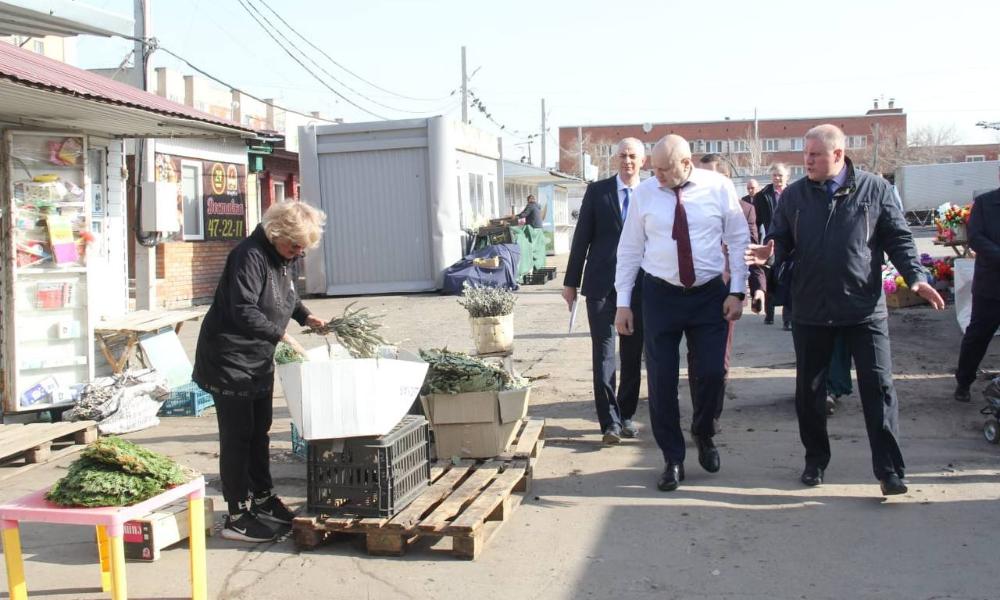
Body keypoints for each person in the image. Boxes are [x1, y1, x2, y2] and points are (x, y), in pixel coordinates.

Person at [745, 124, 944, 496]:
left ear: (838, 154)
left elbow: (899, 239)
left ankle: (889, 470)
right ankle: (815, 461)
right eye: (805, 154)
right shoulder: (795, 195)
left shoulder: (875, 189)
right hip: (811, 309)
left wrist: (915, 277)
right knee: (810, 392)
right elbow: (780, 238)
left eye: (815, 155)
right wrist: (770, 251)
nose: (807, 161)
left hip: (863, 308)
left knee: (879, 389)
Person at [615, 135, 749, 492]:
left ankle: (704, 431)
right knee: (661, 380)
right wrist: (623, 303)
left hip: (708, 295)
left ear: (686, 163)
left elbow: (738, 240)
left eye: (664, 169)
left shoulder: (718, 187)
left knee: (712, 373)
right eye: (654, 169)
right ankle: (672, 457)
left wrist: (738, 290)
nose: (656, 175)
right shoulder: (645, 194)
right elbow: (629, 249)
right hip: (660, 295)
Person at [193, 201, 327, 542]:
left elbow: (286, 295)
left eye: (302, 248)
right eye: (294, 246)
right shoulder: (248, 256)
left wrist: (305, 317)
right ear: (276, 233)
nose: (298, 253)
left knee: (259, 432)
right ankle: (237, 514)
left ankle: (263, 498)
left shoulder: (282, 258)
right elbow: (243, 309)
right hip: (229, 359)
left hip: (258, 359)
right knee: (237, 437)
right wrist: (280, 334)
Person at [563, 138, 646, 444]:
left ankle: (626, 415)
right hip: (601, 286)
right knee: (603, 353)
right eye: (622, 155)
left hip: (638, 287)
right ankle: (609, 422)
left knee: (632, 354)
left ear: (643, 161)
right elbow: (581, 238)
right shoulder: (598, 192)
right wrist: (570, 282)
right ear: (615, 158)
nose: (627, 161)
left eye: (633, 156)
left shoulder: (651, 194)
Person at [695, 154, 766, 433]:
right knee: (695, 358)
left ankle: (711, 416)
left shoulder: (744, 209)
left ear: (724, 178)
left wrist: (758, 288)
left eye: (708, 175)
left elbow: (751, 250)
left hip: (726, 292)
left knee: (718, 358)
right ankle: (701, 416)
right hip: (692, 291)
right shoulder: (687, 205)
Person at [954, 173, 1000, 402]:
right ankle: (964, 381)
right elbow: (975, 237)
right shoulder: (985, 203)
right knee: (977, 337)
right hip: (991, 285)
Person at [753, 163, 791, 328]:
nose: (777, 178)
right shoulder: (762, 196)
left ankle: (788, 319)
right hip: (770, 242)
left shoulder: (794, 193)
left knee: (789, 279)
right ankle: (769, 314)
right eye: (774, 175)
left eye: (780, 175)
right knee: (769, 278)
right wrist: (756, 243)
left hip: (790, 243)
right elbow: (756, 222)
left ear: (787, 177)